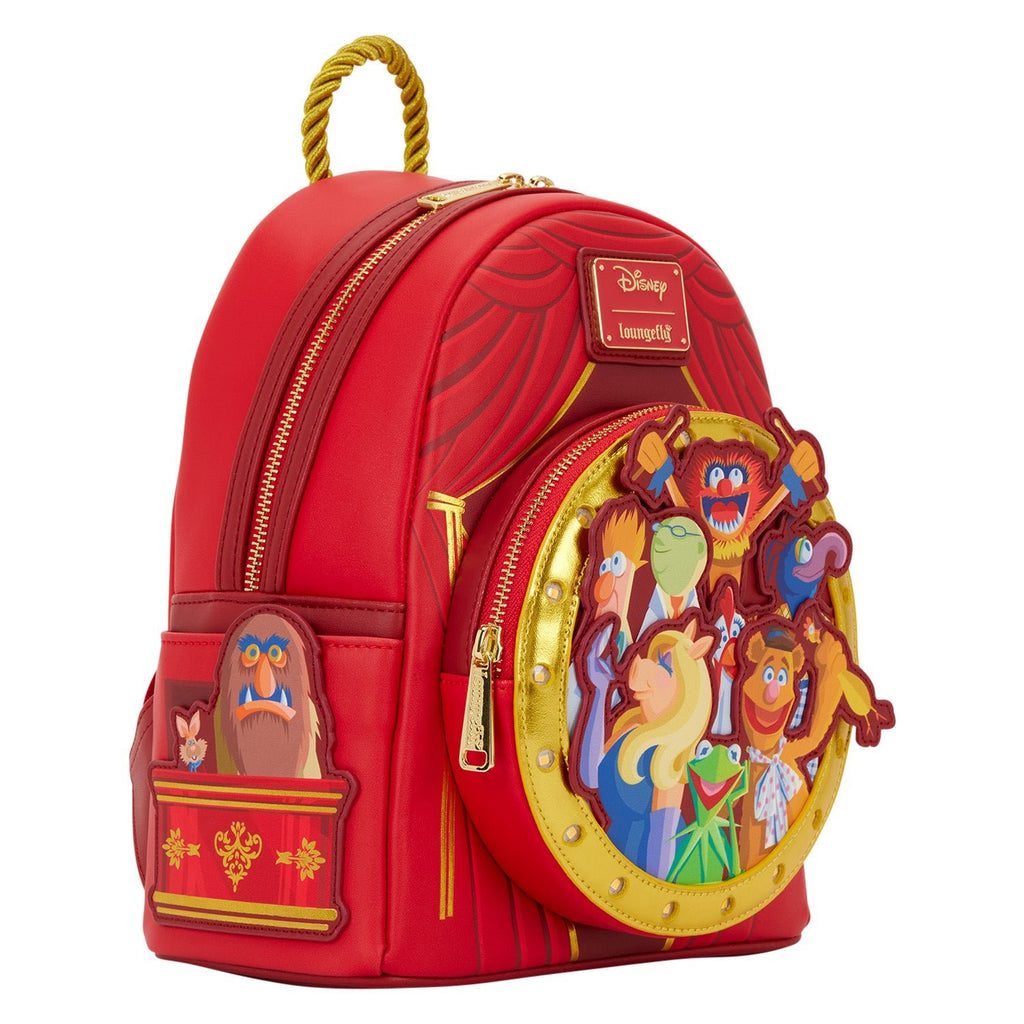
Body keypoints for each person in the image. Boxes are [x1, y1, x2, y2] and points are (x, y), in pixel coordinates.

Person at [576, 622, 713, 879]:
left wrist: (646, 893)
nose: (645, 666)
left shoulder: (669, 760)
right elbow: (589, 777)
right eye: (653, 659)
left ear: (685, 691)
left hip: (638, 866)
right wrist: (599, 691)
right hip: (609, 853)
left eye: (664, 667)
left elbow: (660, 860)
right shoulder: (632, 729)